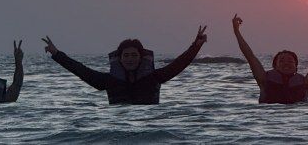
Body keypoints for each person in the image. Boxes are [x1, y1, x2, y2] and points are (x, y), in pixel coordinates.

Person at [42, 26, 207, 104]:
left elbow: (179, 64)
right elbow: (80, 70)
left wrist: (196, 45)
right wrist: (57, 54)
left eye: (134, 55)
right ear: (119, 59)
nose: (130, 59)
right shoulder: (107, 81)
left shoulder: (155, 77)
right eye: (126, 55)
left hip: (150, 125)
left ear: (141, 58)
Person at [232, 14, 308, 104]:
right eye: (282, 60)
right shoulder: (264, 80)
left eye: (290, 61)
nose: (286, 63)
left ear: (296, 67)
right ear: (275, 66)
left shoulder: (305, 83)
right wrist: (237, 32)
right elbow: (250, 56)